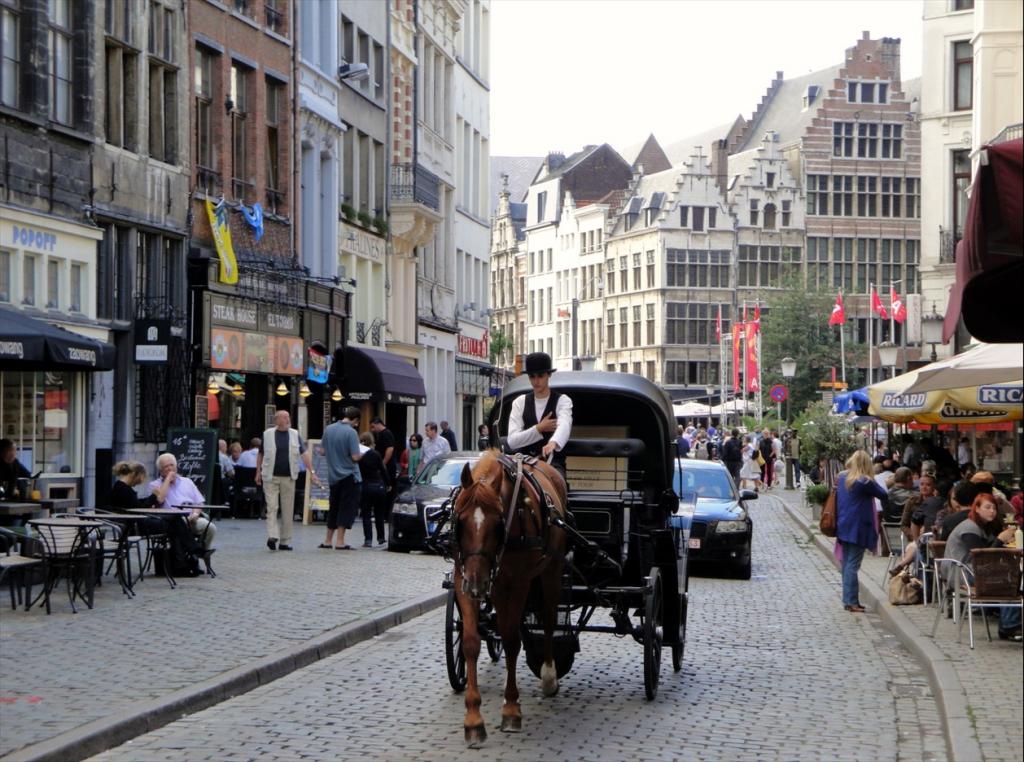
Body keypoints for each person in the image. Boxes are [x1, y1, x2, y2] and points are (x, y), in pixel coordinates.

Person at [943, 493, 1020, 640]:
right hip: (961, 574)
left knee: (1015, 575)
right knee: (1010, 579)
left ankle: (1009, 623)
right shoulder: (969, 528)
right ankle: (1009, 625)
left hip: (971, 571)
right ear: (977, 509)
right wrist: (999, 540)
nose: (992, 511)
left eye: (994, 508)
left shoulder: (983, 526)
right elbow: (982, 558)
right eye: (987, 507)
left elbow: (1011, 514)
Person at [110, 461, 199, 568]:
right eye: (140, 479)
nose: (138, 483)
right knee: (175, 522)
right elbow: (139, 510)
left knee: (175, 522)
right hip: (136, 527)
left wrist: (151, 499)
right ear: (134, 474)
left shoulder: (120, 487)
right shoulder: (125, 490)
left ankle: (186, 558)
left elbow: (135, 505)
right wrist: (153, 497)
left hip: (133, 524)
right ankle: (191, 554)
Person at [506, 352, 573, 479]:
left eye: (540, 376)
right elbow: (512, 441)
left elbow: (565, 424)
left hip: (553, 464)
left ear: (549, 375)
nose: (536, 381)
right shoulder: (519, 402)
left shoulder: (563, 401)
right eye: (532, 376)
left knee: (556, 482)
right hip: (523, 464)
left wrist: (553, 442)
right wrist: (538, 429)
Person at [835, 450, 887, 613]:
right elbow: (883, 494)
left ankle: (848, 599)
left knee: (846, 562)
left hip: (843, 523)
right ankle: (851, 601)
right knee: (853, 564)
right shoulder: (864, 481)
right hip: (858, 527)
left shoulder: (842, 478)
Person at [256, 410, 315, 552]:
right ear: (277, 420)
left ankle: (285, 541)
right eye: (284, 417)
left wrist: (312, 472)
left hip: (289, 477)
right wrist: (258, 471)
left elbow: (304, 454)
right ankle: (273, 536)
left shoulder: (295, 434)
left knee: (288, 510)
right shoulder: (267, 434)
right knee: (272, 507)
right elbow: (261, 453)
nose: (288, 419)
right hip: (270, 476)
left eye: (288, 417)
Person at [147, 453, 217, 553]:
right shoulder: (155, 485)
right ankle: (193, 553)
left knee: (210, 528)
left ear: (176, 466)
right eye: (166, 467)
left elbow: (199, 502)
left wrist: (195, 514)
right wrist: (167, 480)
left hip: (192, 518)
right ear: (160, 470)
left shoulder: (187, 481)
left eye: (172, 465)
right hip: (172, 521)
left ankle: (204, 552)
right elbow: (160, 499)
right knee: (180, 525)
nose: (170, 468)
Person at [320, 406, 362, 550]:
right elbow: (355, 457)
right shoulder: (351, 432)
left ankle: (327, 540)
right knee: (346, 507)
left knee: (334, 507)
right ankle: (340, 541)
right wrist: (363, 454)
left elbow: (322, 451)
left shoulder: (329, 429)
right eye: (357, 422)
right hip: (349, 475)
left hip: (333, 476)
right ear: (355, 420)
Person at [357, 432, 388, 547]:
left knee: (366, 514)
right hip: (378, 485)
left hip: (366, 486)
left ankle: (368, 540)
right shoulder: (376, 454)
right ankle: (381, 538)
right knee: (379, 514)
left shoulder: (359, 455)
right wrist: (388, 483)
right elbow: (383, 470)